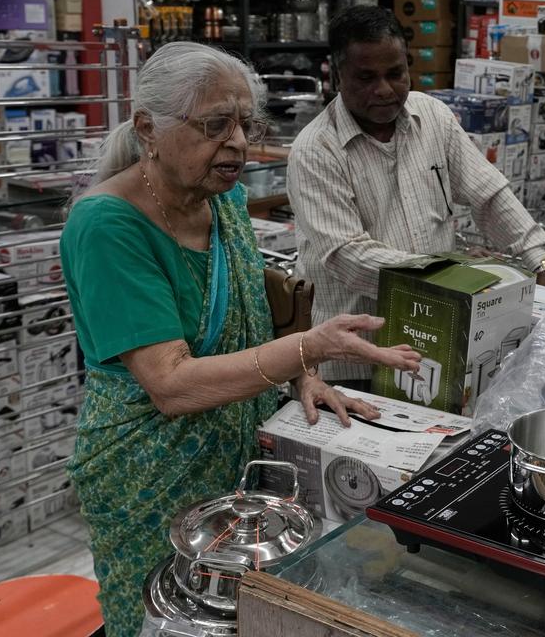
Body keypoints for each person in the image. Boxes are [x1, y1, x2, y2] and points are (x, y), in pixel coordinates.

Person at [60, 42, 421, 637]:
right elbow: (170, 385)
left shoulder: (218, 193)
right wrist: (312, 349)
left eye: (244, 123)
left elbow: (257, 301)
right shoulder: (108, 226)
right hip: (148, 475)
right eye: (214, 125)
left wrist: (304, 374)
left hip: (240, 452)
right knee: (166, 616)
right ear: (148, 129)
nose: (238, 143)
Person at [286, 6, 545, 383]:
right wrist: (457, 279)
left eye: (395, 73)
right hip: (354, 359)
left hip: (436, 341)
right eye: (366, 78)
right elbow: (349, 258)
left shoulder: (432, 117)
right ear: (338, 75)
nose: (385, 90)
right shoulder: (315, 151)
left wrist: (540, 263)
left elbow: (488, 194)